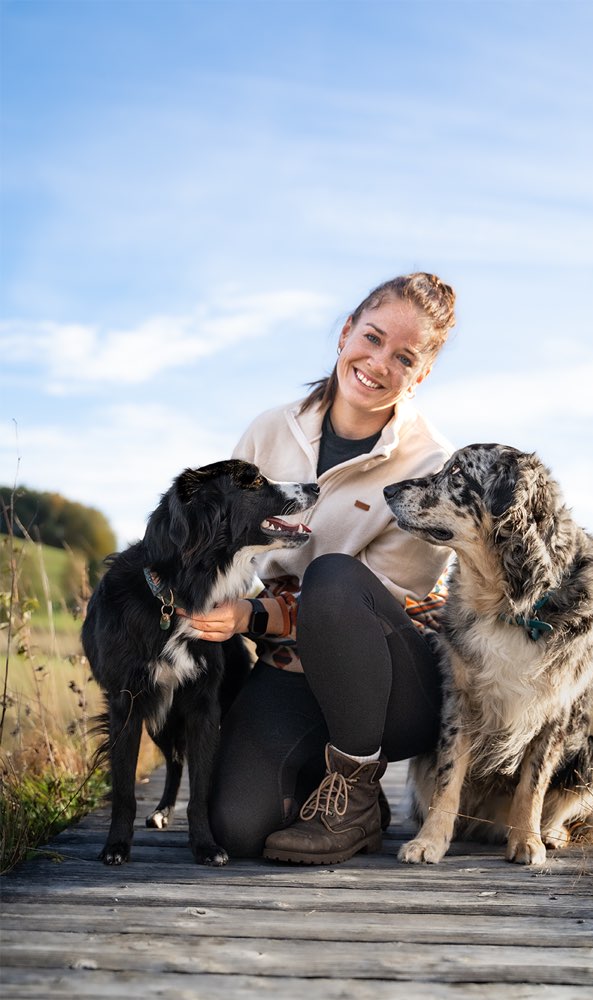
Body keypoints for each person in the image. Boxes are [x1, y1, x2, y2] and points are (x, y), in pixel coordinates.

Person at [178, 272, 456, 864]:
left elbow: (393, 599)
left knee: (333, 576)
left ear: (422, 373)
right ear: (346, 332)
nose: (379, 363)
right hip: (291, 670)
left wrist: (253, 614)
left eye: (403, 357)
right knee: (237, 830)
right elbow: (222, 543)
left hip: (391, 692)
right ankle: (328, 799)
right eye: (373, 337)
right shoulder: (268, 430)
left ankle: (355, 791)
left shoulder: (430, 468)